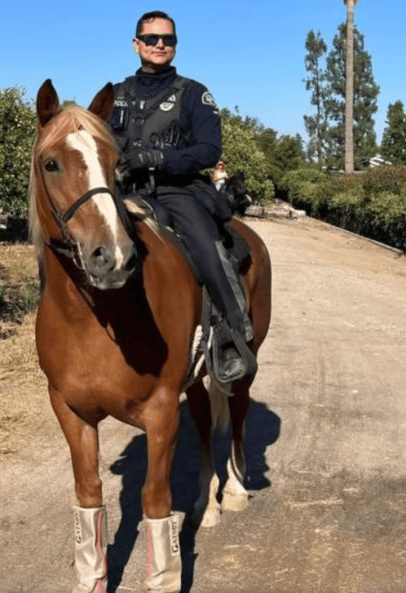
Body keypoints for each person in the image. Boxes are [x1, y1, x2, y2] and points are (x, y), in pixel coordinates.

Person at [109, 10, 255, 385]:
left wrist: (158, 158)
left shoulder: (194, 93)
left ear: (175, 45)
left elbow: (209, 150)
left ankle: (231, 335)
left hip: (177, 190)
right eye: (153, 38)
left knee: (207, 246)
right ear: (136, 44)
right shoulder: (116, 94)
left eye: (168, 39)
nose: (160, 44)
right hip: (126, 188)